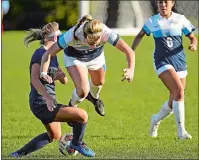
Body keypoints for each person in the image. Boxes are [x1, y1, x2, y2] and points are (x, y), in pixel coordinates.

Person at [9, 22, 95, 157]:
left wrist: (61, 76)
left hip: (48, 102)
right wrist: (48, 98)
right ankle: (77, 143)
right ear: (54, 38)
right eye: (60, 37)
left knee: (54, 135)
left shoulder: (52, 56)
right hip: (41, 102)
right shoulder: (39, 53)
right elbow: (35, 79)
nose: (62, 41)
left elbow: (64, 80)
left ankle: (17, 154)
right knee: (82, 115)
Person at [40, 15, 135, 117]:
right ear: (84, 36)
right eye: (90, 43)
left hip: (96, 57)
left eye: (96, 43)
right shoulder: (72, 35)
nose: (93, 46)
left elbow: (129, 51)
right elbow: (48, 53)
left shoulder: (106, 33)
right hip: (75, 58)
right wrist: (43, 72)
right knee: (82, 91)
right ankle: (72, 108)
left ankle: (94, 97)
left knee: (99, 82)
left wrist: (131, 69)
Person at [132, 0, 197, 139]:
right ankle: (182, 132)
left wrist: (193, 44)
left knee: (175, 99)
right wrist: (130, 52)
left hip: (179, 62)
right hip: (162, 62)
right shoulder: (152, 21)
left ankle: (155, 119)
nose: (163, 5)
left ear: (172, 3)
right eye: (160, 2)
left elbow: (192, 37)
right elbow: (140, 35)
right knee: (179, 90)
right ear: (157, 4)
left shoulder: (180, 19)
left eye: (166, 2)